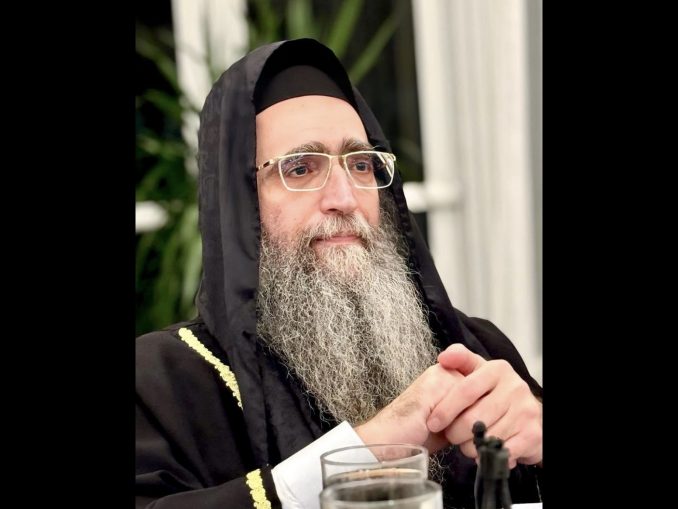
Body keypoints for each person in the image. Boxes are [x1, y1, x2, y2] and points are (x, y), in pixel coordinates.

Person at [136, 38, 542, 509]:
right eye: (301, 168)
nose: (345, 199)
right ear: (238, 205)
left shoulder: (477, 351)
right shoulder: (161, 383)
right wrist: (374, 445)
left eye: (361, 164)